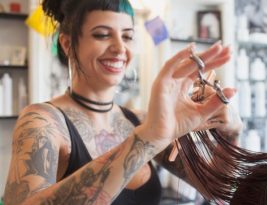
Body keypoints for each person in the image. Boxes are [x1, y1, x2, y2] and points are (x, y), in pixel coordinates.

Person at [3, 0, 243, 204]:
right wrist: (147, 138)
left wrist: (230, 130)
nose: (120, 48)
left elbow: (222, 188)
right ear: (67, 44)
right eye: (102, 34)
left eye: (128, 36)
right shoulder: (42, 121)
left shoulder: (138, 120)